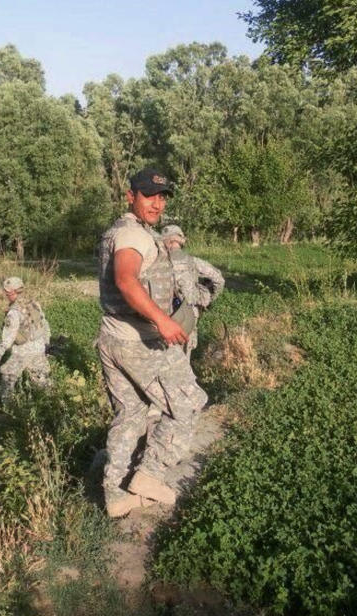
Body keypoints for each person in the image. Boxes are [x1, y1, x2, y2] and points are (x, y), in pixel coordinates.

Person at [97, 167, 208, 518]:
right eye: (149, 195)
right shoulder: (133, 236)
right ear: (131, 196)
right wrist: (162, 321)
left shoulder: (121, 230)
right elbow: (126, 281)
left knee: (130, 414)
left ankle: (115, 496)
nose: (157, 203)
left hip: (112, 337)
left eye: (162, 197)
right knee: (189, 403)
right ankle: (149, 475)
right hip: (140, 343)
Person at [160, 225, 225, 359]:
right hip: (189, 314)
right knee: (184, 358)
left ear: (166, 241)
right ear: (180, 241)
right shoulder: (193, 261)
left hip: (161, 317)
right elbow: (219, 279)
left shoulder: (156, 262)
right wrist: (208, 298)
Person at [0, 276, 51, 403]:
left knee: (7, 376)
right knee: (41, 378)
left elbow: (9, 336)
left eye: (7, 292)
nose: (5, 294)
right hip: (39, 347)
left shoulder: (13, 312)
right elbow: (45, 324)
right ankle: (53, 404)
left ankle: (6, 408)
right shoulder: (34, 303)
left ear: (13, 292)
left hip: (22, 351)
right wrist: (46, 343)